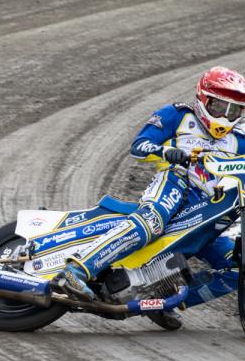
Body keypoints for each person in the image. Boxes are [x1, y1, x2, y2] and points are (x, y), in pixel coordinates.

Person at [55, 66, 245, 327]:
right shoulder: (178, 115)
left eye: (233, 110)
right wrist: (166, 152)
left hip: (212, 208)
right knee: (151, 222)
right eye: (219, 107)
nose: (225, 116)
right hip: (176, 183)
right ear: (204, 99)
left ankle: (162, 299)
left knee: (234, 269)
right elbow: (139, 146)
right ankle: (76, 270)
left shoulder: (240, 139)